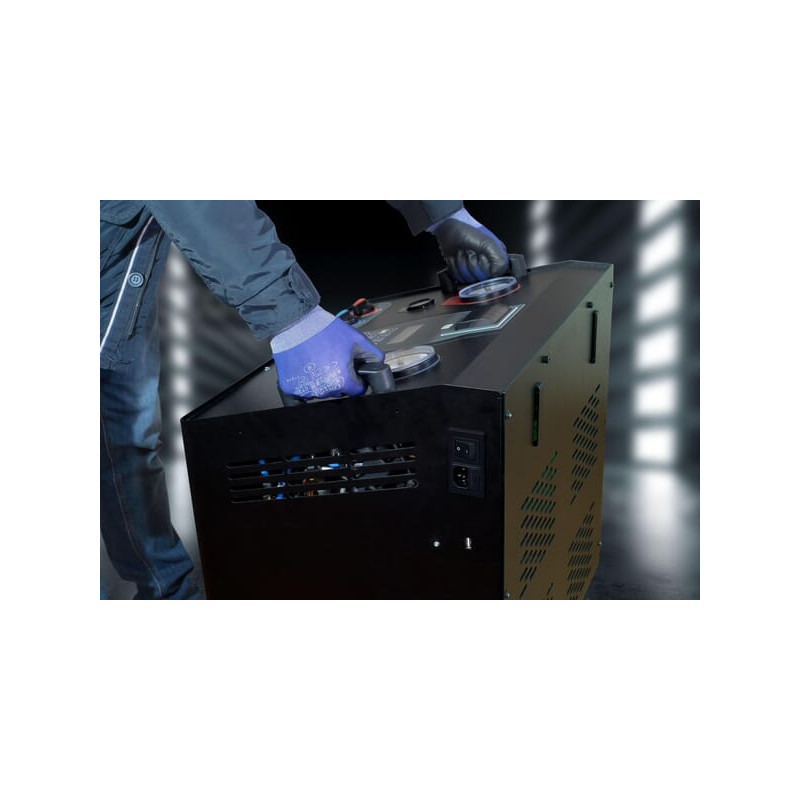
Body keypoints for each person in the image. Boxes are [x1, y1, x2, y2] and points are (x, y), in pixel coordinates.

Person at [100, 201, 509, 599]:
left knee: (126, 444)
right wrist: (292, 319)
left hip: (118, 280)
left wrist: (443, 214)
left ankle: (167, 594)